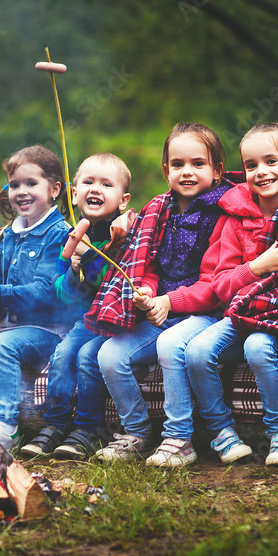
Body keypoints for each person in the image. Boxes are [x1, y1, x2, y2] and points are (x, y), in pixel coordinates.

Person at [87, 123, 236, 462]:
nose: (187, 172)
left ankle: (179, 438)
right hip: (161, 313)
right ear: (166, 170)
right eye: (178, 164)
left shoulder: (224, 214)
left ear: (216, 171)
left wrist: (169, 302)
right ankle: (136, 432)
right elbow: (150, 264)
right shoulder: (159, 211)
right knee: (110, 356)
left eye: (198, 164)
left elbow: (215, 284)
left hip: (206, 316)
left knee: (170, 345)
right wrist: (147, 292)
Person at [184, 122, 278, 466]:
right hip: (240, 315)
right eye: (251, 165)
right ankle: (223, 432)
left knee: (257, 346)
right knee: (197, 351)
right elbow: (221, 283)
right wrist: (254, 268)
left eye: (271, 161)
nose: (261, 172)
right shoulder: (235, 218)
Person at [19, 153, 134, 459]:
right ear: (73, 192)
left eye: (106, 184)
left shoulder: (126, 233)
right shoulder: (70, 235)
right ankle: (55, 425)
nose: (96, 189)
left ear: (122, 200)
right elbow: (60, 293)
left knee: (86, 357)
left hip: (117, 320)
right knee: (63, 354)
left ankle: (87, 429)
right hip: (85, 320)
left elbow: (113, 279)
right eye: (88, 182)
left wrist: (102, 252)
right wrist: (72, 268)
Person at [0, 144, 73, 451]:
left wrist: (0, 295)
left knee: (3, 346)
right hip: (9, 325)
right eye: (14, 185)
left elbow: (47, 291)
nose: (21, 191)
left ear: (54, 189)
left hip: (47, 330)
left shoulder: (59, 234)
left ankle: (6, 426)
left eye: (31, 183)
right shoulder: (8, 236)